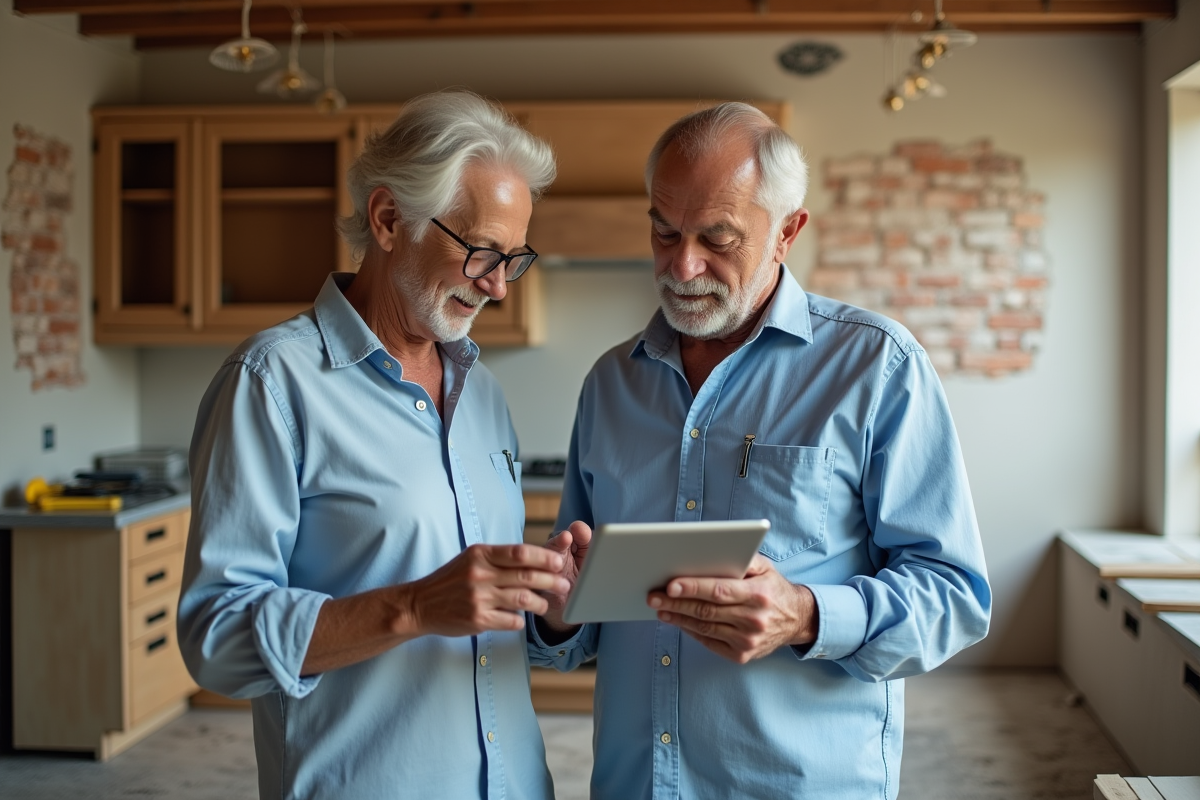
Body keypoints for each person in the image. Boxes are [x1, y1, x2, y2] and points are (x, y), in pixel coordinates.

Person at [531, 103, 992, 799]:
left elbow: (955, 597)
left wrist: (807, 614)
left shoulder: (877, 367)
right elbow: (578, 625)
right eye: (664, 231)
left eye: (718, 238)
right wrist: (560, 609)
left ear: (787, 231)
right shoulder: (610, 384)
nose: (683, 265)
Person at [178, 90, 573, 800]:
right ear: (389, 220)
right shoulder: (271, 383)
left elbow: (489, 625)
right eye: (482, 252)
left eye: (513, 261)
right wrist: (413, 607)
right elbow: (216, 637)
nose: (499, 288)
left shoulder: (482, 393)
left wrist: (551, 604)